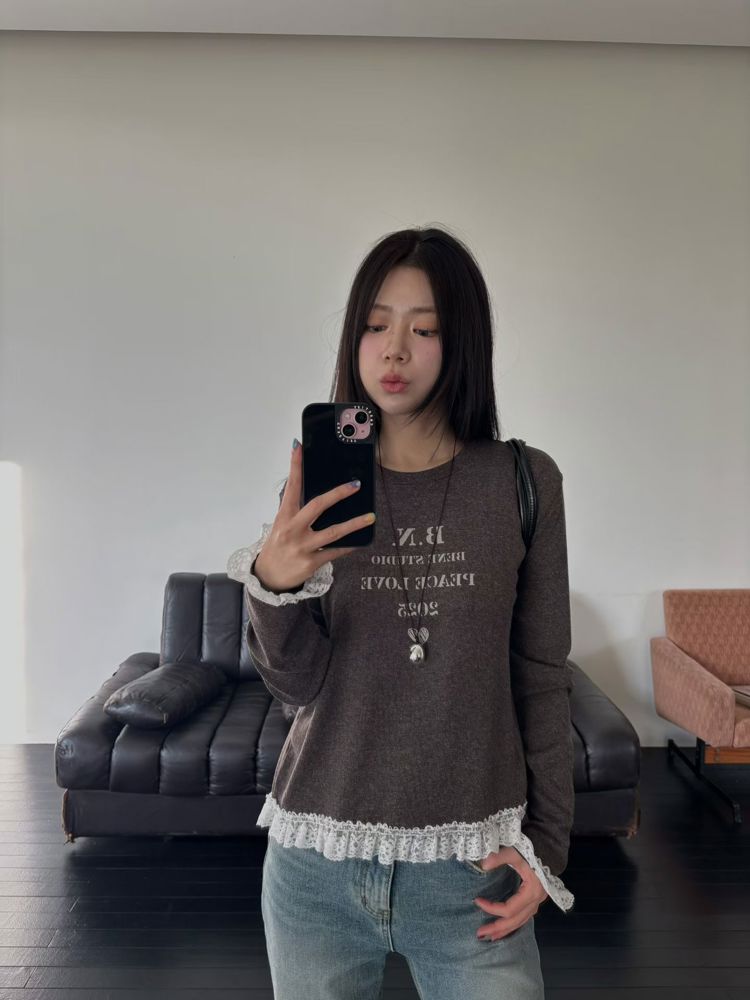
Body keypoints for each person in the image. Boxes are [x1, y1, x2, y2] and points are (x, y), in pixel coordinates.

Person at [227, 225, 575, 1000]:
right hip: (315, 867)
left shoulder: (523, 481)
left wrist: (548, 847)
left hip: (472, 875)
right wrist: (273, 586)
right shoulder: (319, 488)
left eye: (425, 330)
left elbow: (542, 675)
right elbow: (296, 686)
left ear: (463, 342)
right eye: (375, 325)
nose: (394, 350)